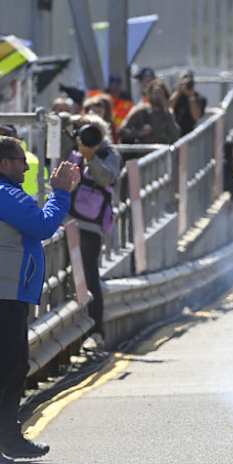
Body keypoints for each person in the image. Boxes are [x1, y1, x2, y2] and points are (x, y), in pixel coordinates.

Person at [0, 136, 80, 462]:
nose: (25, 165)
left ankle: (7, 438)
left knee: (10, 366)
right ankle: (8, 439)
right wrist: (60, 191)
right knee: (10, 367)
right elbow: (44, 225)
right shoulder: (5, 194)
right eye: (20, 160)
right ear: (4, 164)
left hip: (9, 292)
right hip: (6, 294)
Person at [67, 118, 121, 342]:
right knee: (65, 279)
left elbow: (106, 178)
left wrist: (92, 157)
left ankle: (95, 329)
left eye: (93, 131)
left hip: (90, 225)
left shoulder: (110, 155)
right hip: (67, 223)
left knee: (89, 276)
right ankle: (73, 329)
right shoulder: (72, 152)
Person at [119, 79, 180, 145]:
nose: (158, 96)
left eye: (161, 93)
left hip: (164, 151)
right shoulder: (141, 111)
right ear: (150, 94)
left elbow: (175, 136)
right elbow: (122, 131)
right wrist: (139, 133)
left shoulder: (168, 113)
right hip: (146, 151)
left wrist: (167, 111)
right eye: (156, 93)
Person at [170, 70, 207, 137]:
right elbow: (168, 108)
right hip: (174, 132)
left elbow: (196, 117)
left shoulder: (199, 98)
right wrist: (178, 90)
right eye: (184, 78)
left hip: (190, 134)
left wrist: (191, 97)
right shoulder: (175, 95)